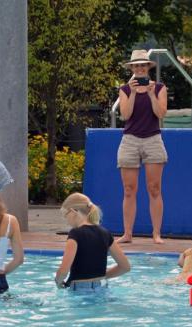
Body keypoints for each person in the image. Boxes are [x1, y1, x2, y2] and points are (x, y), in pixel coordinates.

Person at [117, 49, 168, 244]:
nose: (139, 68)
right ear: (131, 68)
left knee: (154, 188)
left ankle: (156, 233)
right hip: (130, 140)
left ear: (148, 68)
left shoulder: (159, 87)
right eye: (136, 65)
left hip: (153, 139)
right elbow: (126, 115)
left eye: (143, 65)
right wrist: (131, 92)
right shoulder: (124, 89)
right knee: (129, 189)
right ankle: (128, 233)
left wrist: (150, 93)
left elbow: (161, 113)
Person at [55, 193, 130, 291]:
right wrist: (102, 276)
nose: (66, 220)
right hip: (102, 287)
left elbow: (63, 271)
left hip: (80, 290)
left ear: (74, 211)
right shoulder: (105, 233)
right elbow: (125, 267)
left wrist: (58, 282)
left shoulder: (75, 234)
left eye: (65, 215)